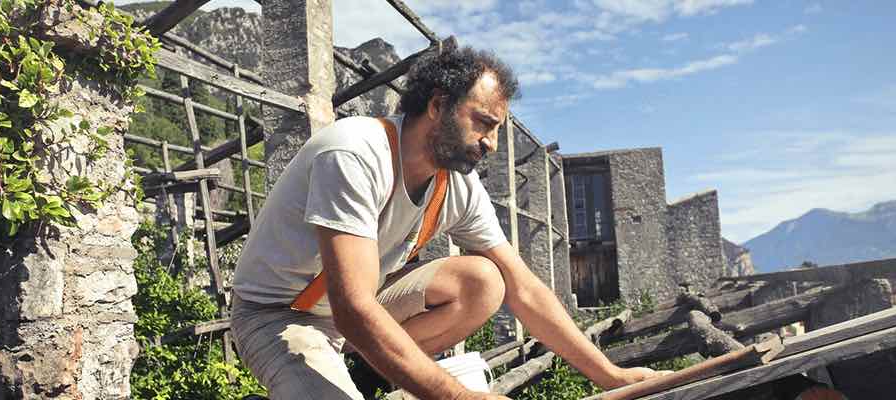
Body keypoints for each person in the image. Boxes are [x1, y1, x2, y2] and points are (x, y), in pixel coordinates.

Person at [229, 44, 668, 400]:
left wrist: (611, 375)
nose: (492, 144)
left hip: (353, 317)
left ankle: (371, 377)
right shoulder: (354, 153)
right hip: (280, 316)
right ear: (439, 105)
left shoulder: (454, 185)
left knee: (486, 280)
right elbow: (354, 310)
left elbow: (526, 289)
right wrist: (459, 398)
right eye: (484, 123)